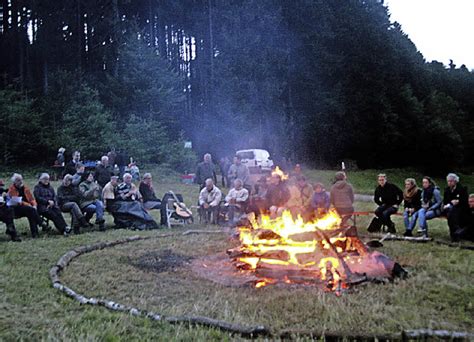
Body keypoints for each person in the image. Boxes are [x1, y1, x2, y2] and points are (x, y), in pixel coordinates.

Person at [8, 173, 46, 238]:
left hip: (28, 208)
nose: (20, 182)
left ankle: (35, 233)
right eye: (18, 180)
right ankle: (41, 223)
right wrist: (28, 205)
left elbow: (31, 198)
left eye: (21, 180)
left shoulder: (25, 188)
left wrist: (34, 205)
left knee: (31, 212)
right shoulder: (11, 189)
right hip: (16, 208)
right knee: (30, 210)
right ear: (14, 182)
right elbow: (17, 201)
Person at [442, 173, 469, 241]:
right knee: (450, 213)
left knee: (452, 214)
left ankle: (455, 234)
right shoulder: (447, 190)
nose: (449, 182)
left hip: (461, 208)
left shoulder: (462, 189)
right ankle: (455, 233)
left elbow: (465, 200)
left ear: (455, 181)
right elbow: (445, 201)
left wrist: (458, 201)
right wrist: (449, 203)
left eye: (451, 181)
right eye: (448, 181)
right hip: (449, 209)